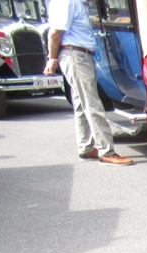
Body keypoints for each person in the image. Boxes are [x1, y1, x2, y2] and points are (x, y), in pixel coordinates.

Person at [43, 0, 133, 165]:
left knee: (80, 102)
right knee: (92, 104)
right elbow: (55, 33)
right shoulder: (67, 2)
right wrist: (52, 59)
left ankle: (85, 146)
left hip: (77, 54)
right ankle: (106, 151)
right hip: (75, 56)